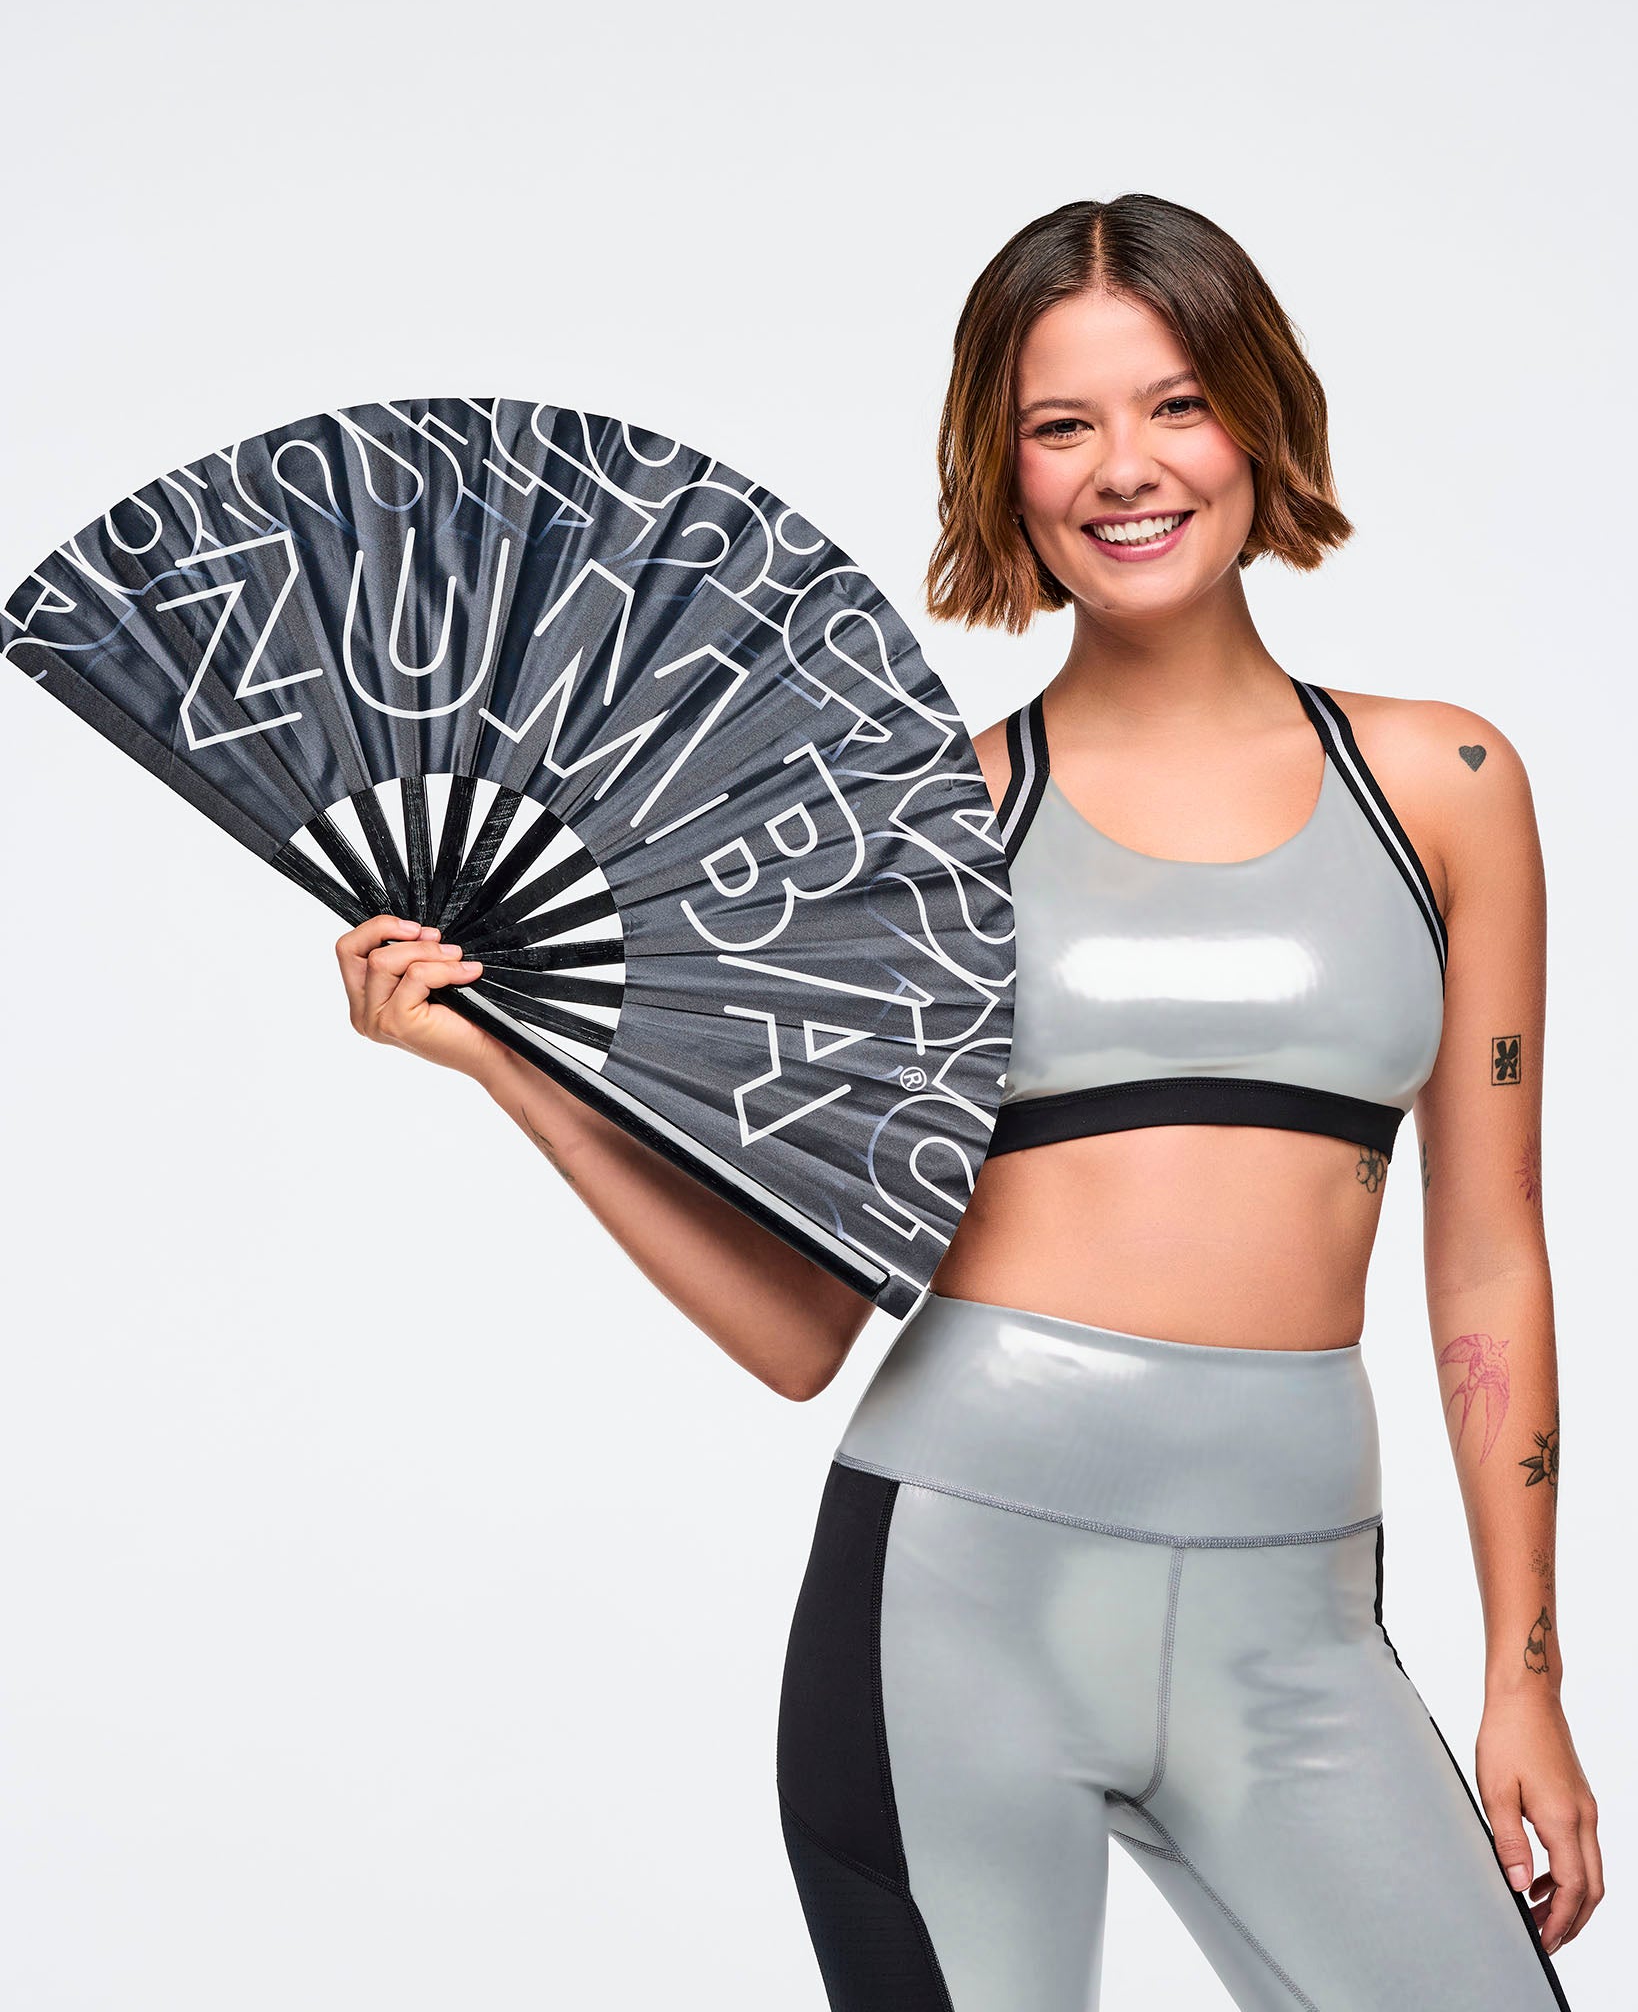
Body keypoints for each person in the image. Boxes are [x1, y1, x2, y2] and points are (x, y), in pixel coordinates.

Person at [333, 193, 1602, 2009]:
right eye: (1056, 425)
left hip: (1298, 1632)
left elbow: (1488, 1262)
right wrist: (505, 1069)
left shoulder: (1448, 784)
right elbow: (798, 1330)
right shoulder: (927, 836)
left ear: (1257, 417)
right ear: (999, 472)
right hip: (950, 1605)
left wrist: (1522, 1677)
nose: (1123, 469)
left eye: (1172, 404)